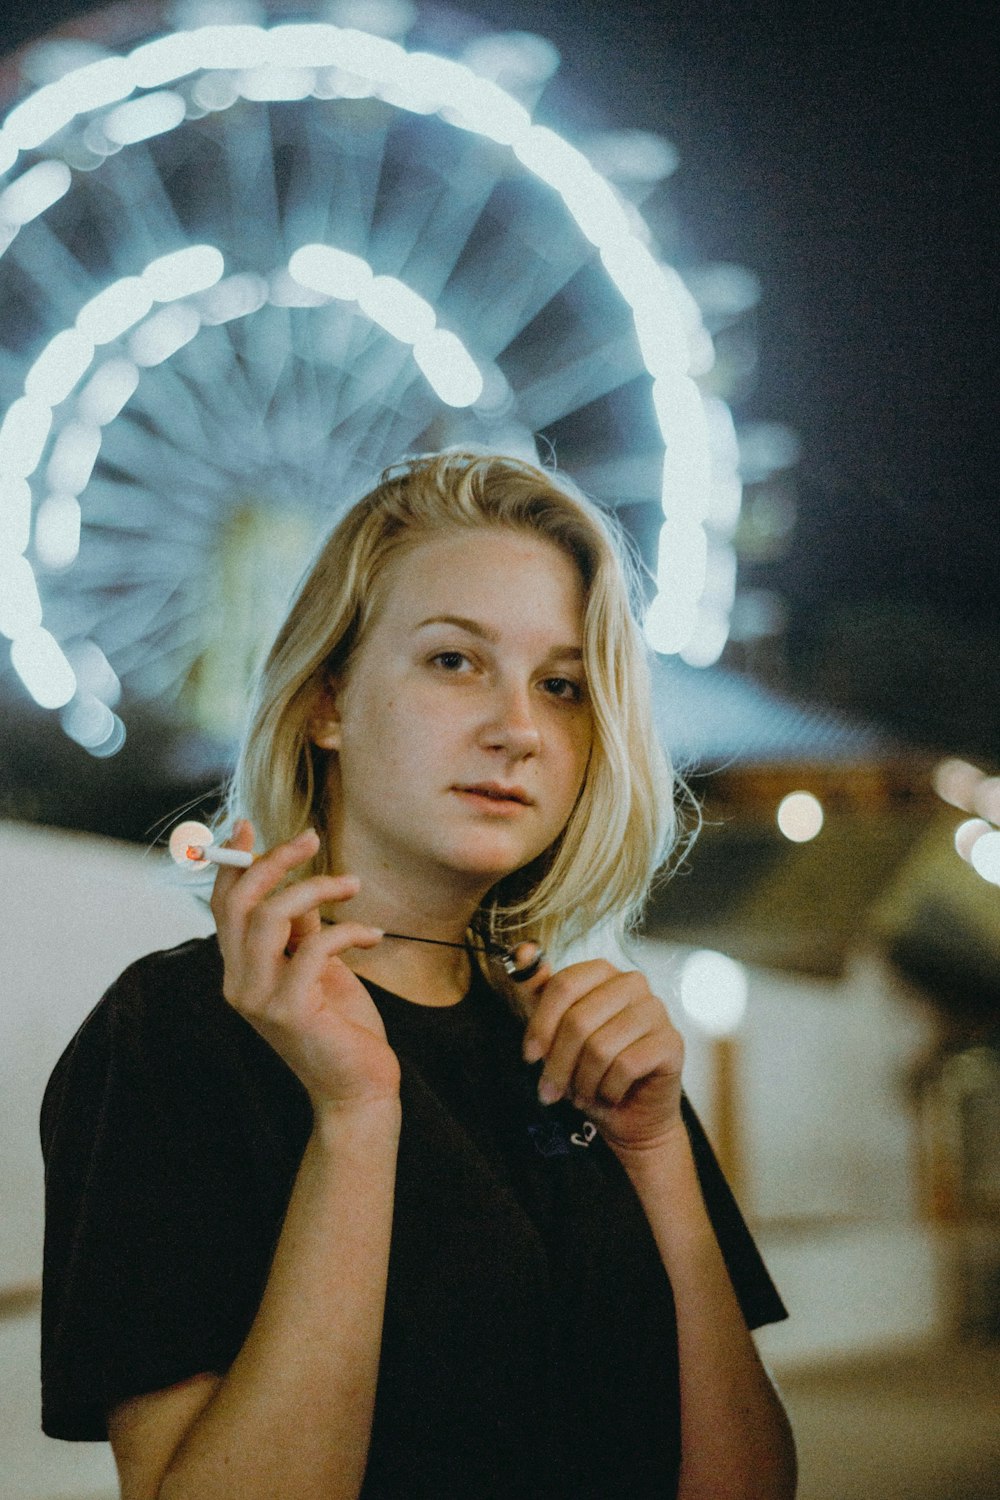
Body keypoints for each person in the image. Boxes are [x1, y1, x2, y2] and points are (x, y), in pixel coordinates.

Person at [40, 450, 797, 1500]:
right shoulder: (176, 1033)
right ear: (326, 702)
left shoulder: (585, 1047)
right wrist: (355, 1118)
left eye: (563, 685)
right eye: (453, 661)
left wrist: (657, 1146)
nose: (518, 730)